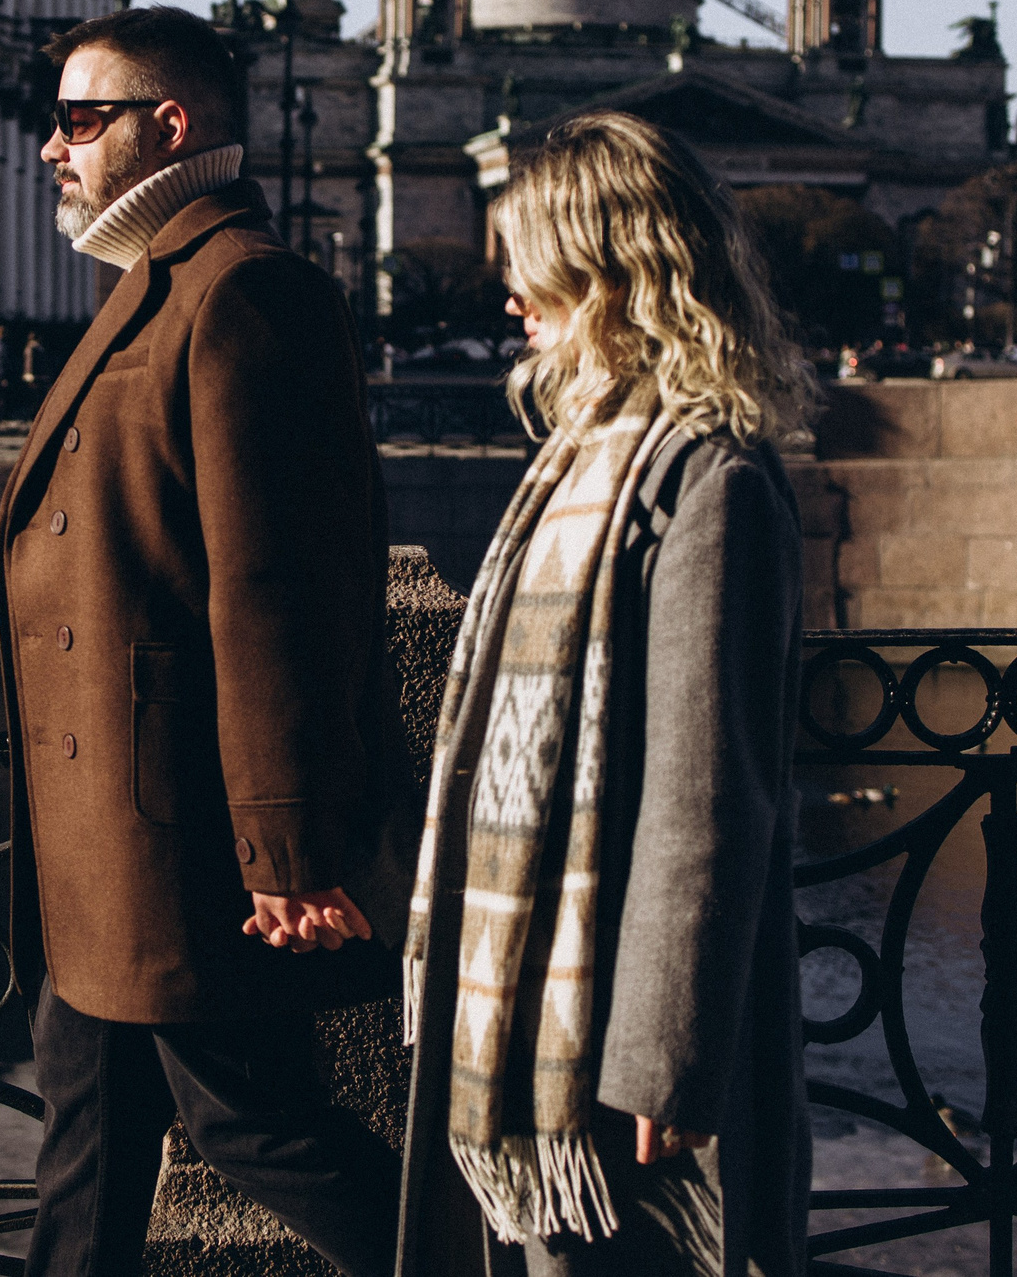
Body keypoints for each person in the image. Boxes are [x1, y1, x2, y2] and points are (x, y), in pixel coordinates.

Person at [0, 6, 409, 1277]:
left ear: (168, 127)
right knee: (90, 1152)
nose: (52, 150)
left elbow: (276, 590)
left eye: (79, 120)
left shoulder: (247, 290)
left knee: (258, 1128)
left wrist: (286, 848)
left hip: (181, 840)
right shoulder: (161, 282)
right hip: (101, 837)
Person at [399, 112, 814, 1277]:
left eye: (533, 270)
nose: (510, 298)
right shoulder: (586, 453)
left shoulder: (707, 474)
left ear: (615, 275)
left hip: (622, 1057)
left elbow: (706, 797)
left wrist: (663, 1058)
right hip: (557, 1012)